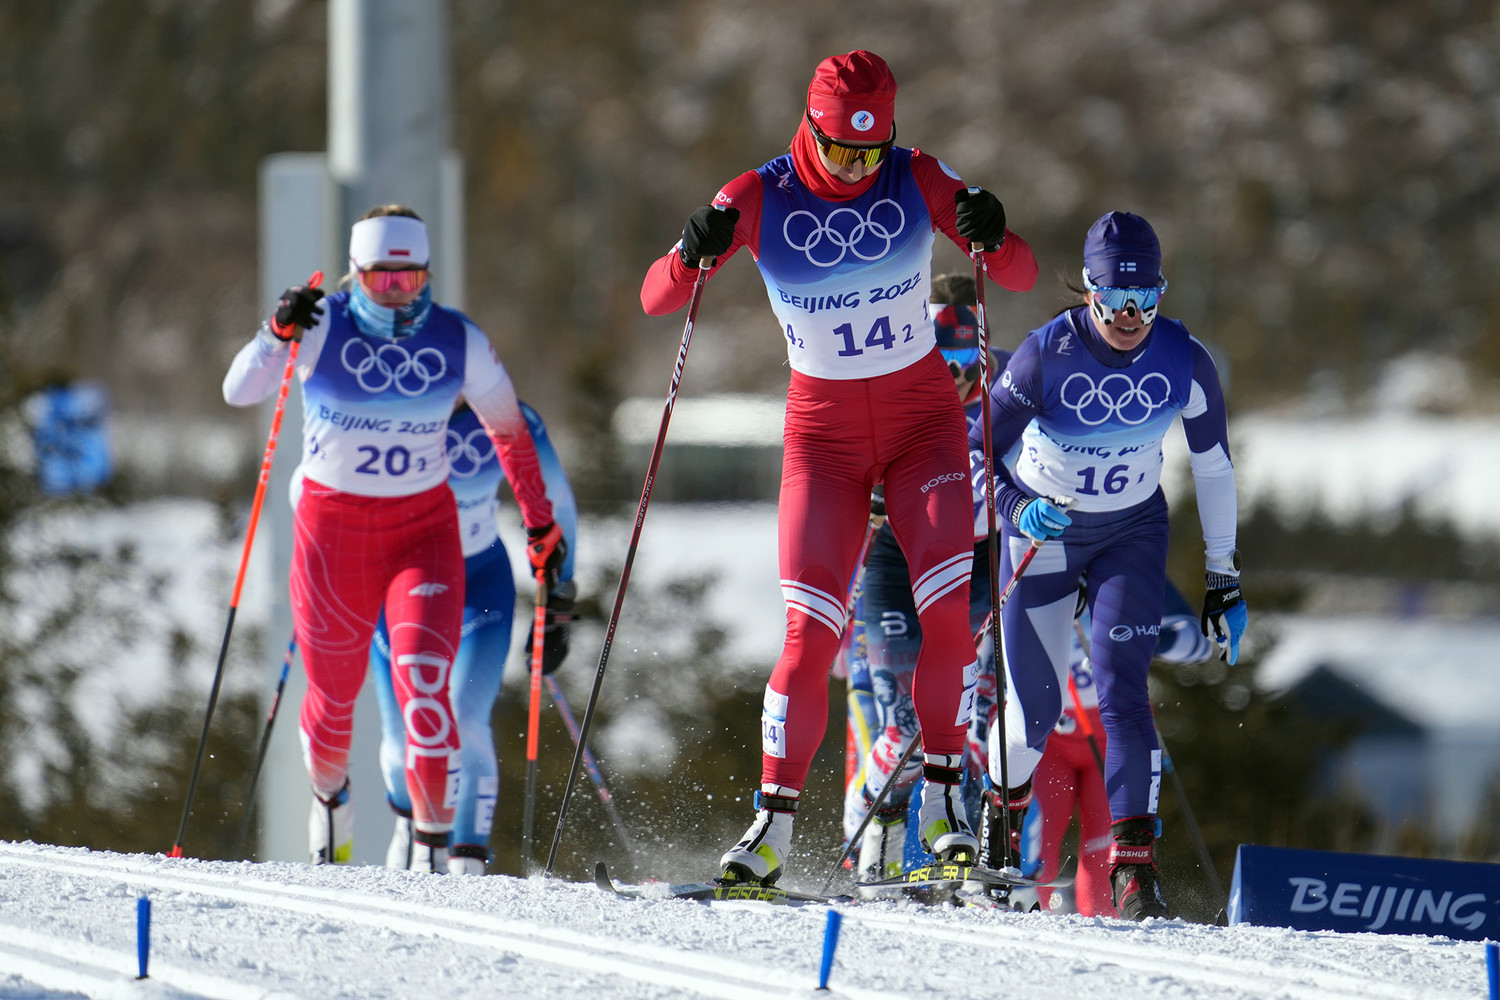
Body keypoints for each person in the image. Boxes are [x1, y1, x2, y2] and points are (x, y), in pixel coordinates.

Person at [642, 49, 1038, 887]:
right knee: (808, 635)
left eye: (872, 151)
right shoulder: (758, 195)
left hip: (925, 427)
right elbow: (656, 299)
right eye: (840, 151)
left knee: (948, 622)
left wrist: (992, 234)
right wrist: (689, 252)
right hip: (822, 440)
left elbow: (1020, 272)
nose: (858, 168)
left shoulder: (918, 176)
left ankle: (939, 802)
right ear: (810, 127)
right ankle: (772, 826)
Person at [223, 206, 565, 868]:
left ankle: (431, 861)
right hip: (333, 536)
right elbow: (240, 390)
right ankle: (331, 802)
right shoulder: (323, 328)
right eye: (383, 281)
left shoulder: (456, 338)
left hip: (421, 535)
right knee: (331, 710)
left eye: (411, 280)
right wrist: (275, 332)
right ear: (356, 275)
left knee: (427, 694)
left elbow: (509, 432)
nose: (398, 295)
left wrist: (540, 521)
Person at [971, 210, 1247, 920]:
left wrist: (1223, 575)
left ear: (1161, 292)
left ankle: (1133, 873)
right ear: (1089, 292)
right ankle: (1000, 832)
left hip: (1131, 531)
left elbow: (1214, 467)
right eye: (1114, 301)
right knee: (1037, 712)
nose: (1130, 317)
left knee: (1123, 692)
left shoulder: (1184, 358)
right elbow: (976, 448)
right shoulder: (1044, 356)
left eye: (1145, 301)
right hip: (1049, 533)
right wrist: (1014, 506)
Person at [838, 274, 1008, 881]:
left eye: (968, 358)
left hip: (973, 567)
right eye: (943, 357)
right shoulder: (891, 381)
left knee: (962, 722)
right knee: (901, 729)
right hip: (893, 562)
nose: (957, 373)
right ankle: (867, 824)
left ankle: (963, 844)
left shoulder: (1006, 389)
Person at [371, 401, 578, 874]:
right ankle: (411, 834)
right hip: (397, 585)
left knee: (464, 721)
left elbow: (558, 500)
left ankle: (468, 864)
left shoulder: (503, 414)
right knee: (406, 734)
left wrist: (560, 597)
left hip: (478, 585)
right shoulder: (383, 408)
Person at [1030, 579, 1215, 916]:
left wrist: (1145, 639)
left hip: (1116, 739)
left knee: (1108, 854)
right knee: (1036, 845)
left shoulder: (1127, 566)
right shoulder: (1042, 562)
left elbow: (1200, 643)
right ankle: (1017, 936)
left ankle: (1114, 948)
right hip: (1049, 741)